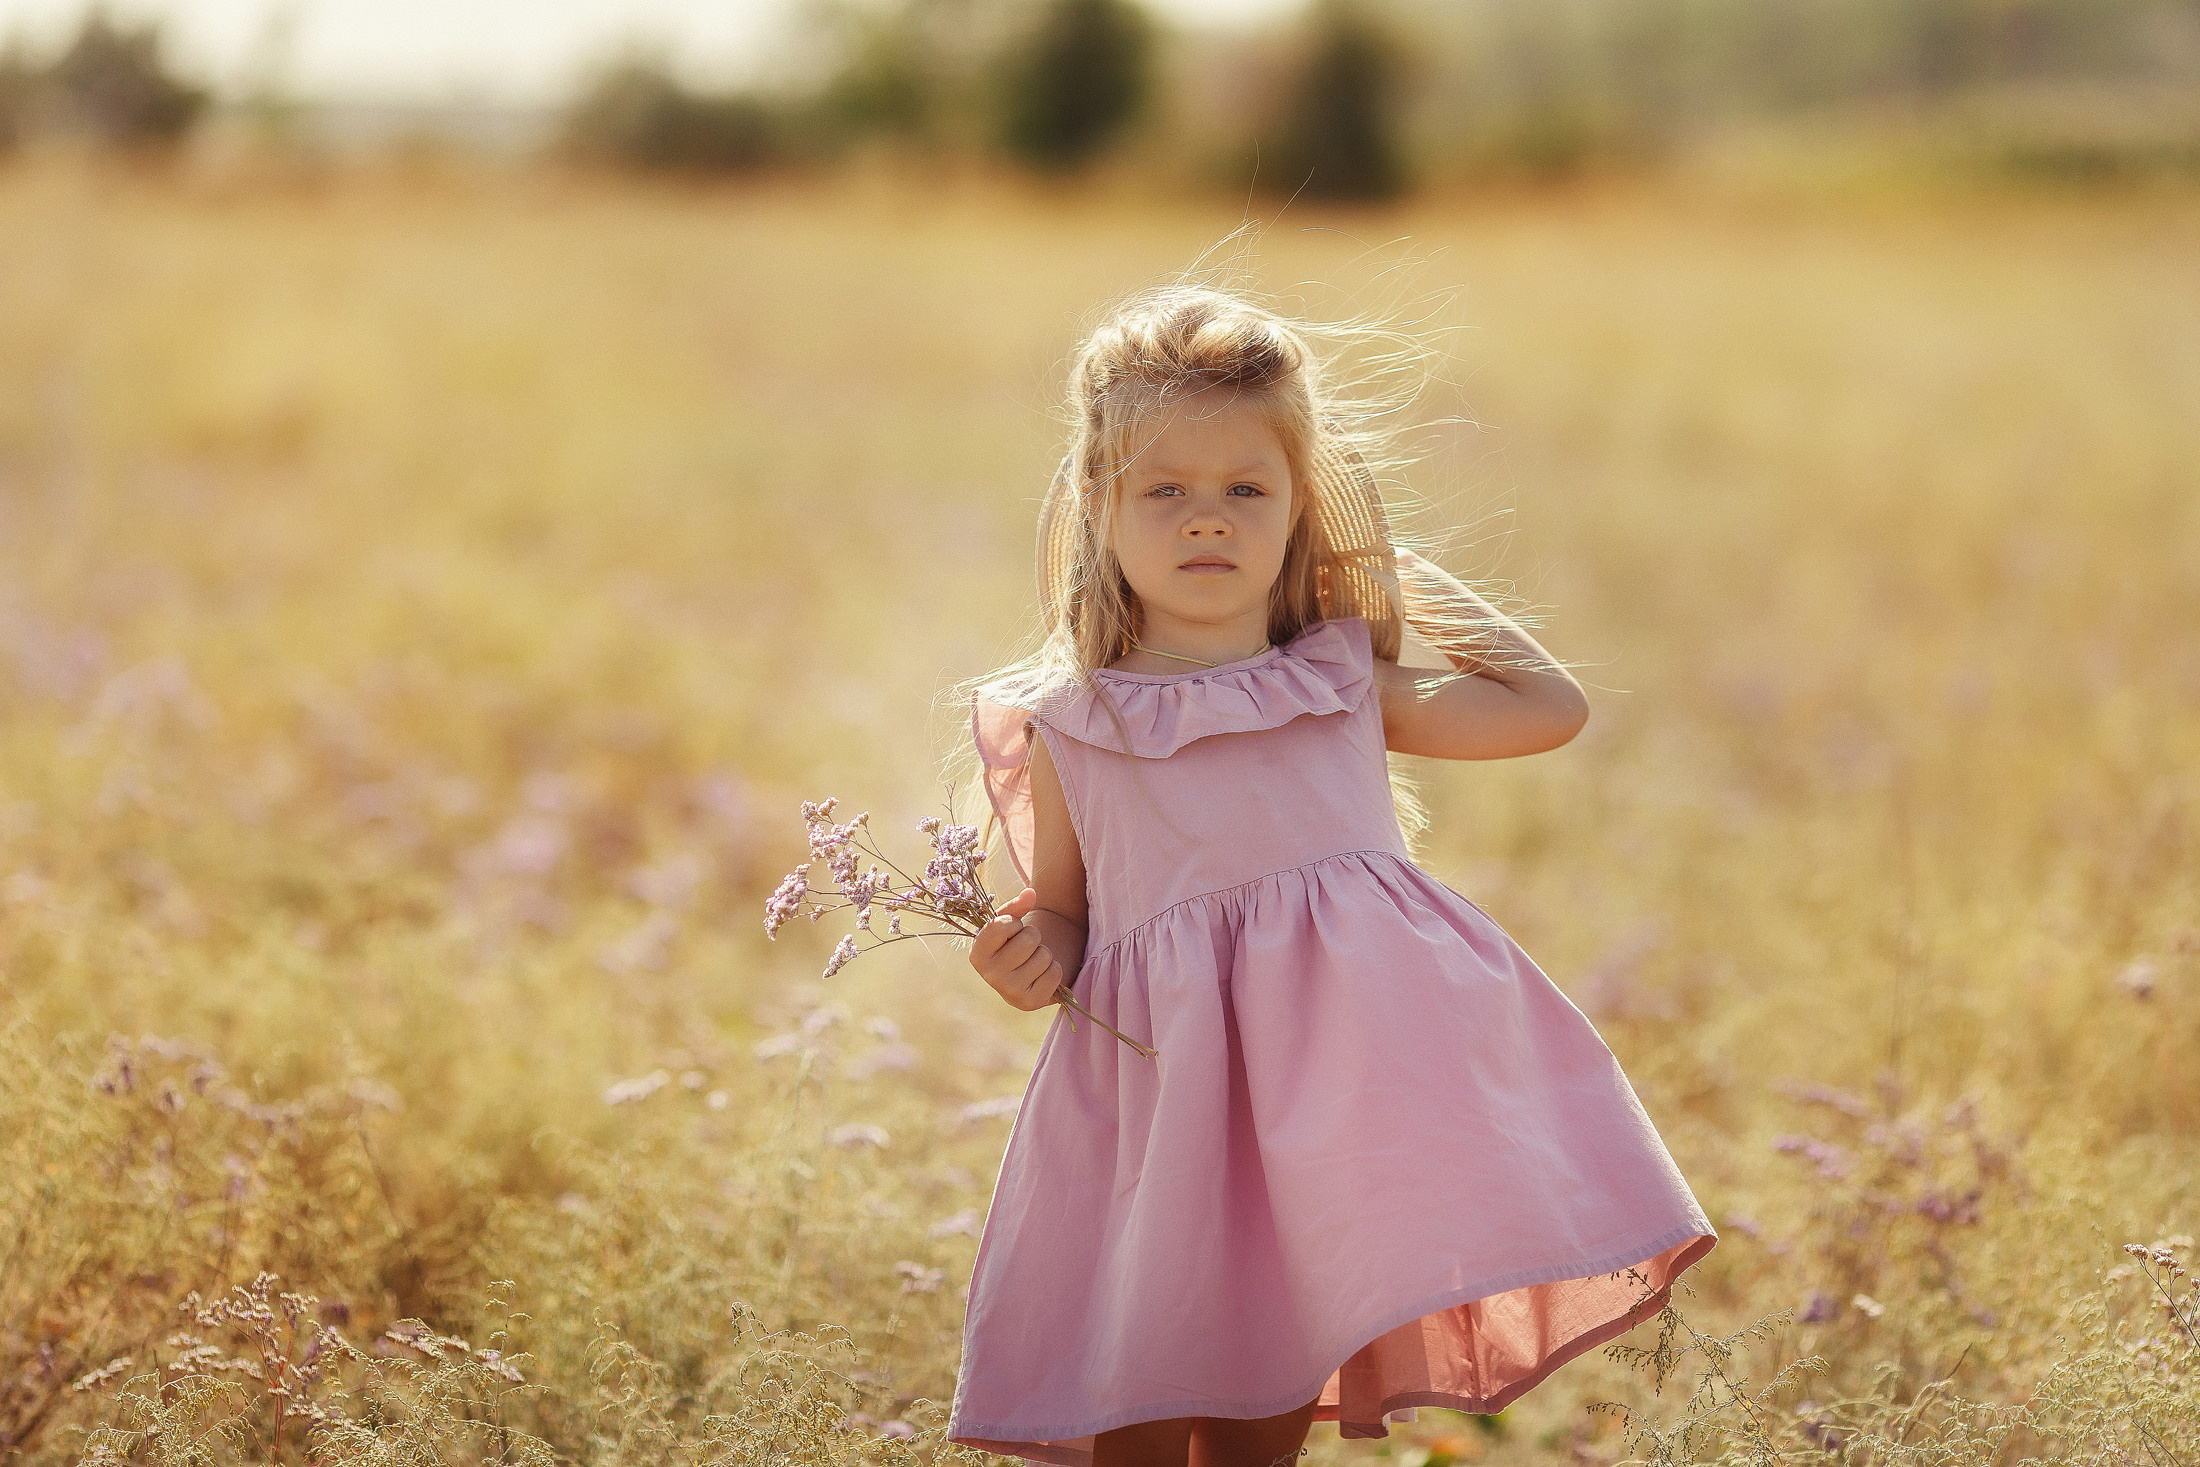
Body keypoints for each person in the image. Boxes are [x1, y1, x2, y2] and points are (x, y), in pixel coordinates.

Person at [947, 280, 1716, 1467]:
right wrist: (1026, 957)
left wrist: (1393, 570)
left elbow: (1544, 709)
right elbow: (1064, 916)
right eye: (1166, 492)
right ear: (1099, 507)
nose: (1208, 520)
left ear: (1300, 508)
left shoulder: (1339, 681)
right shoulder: (1076, 722)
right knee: (1141, 1407)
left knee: (1264, 1411)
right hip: (1165, 1116)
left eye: (1247, 490)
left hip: (1325, 1122)